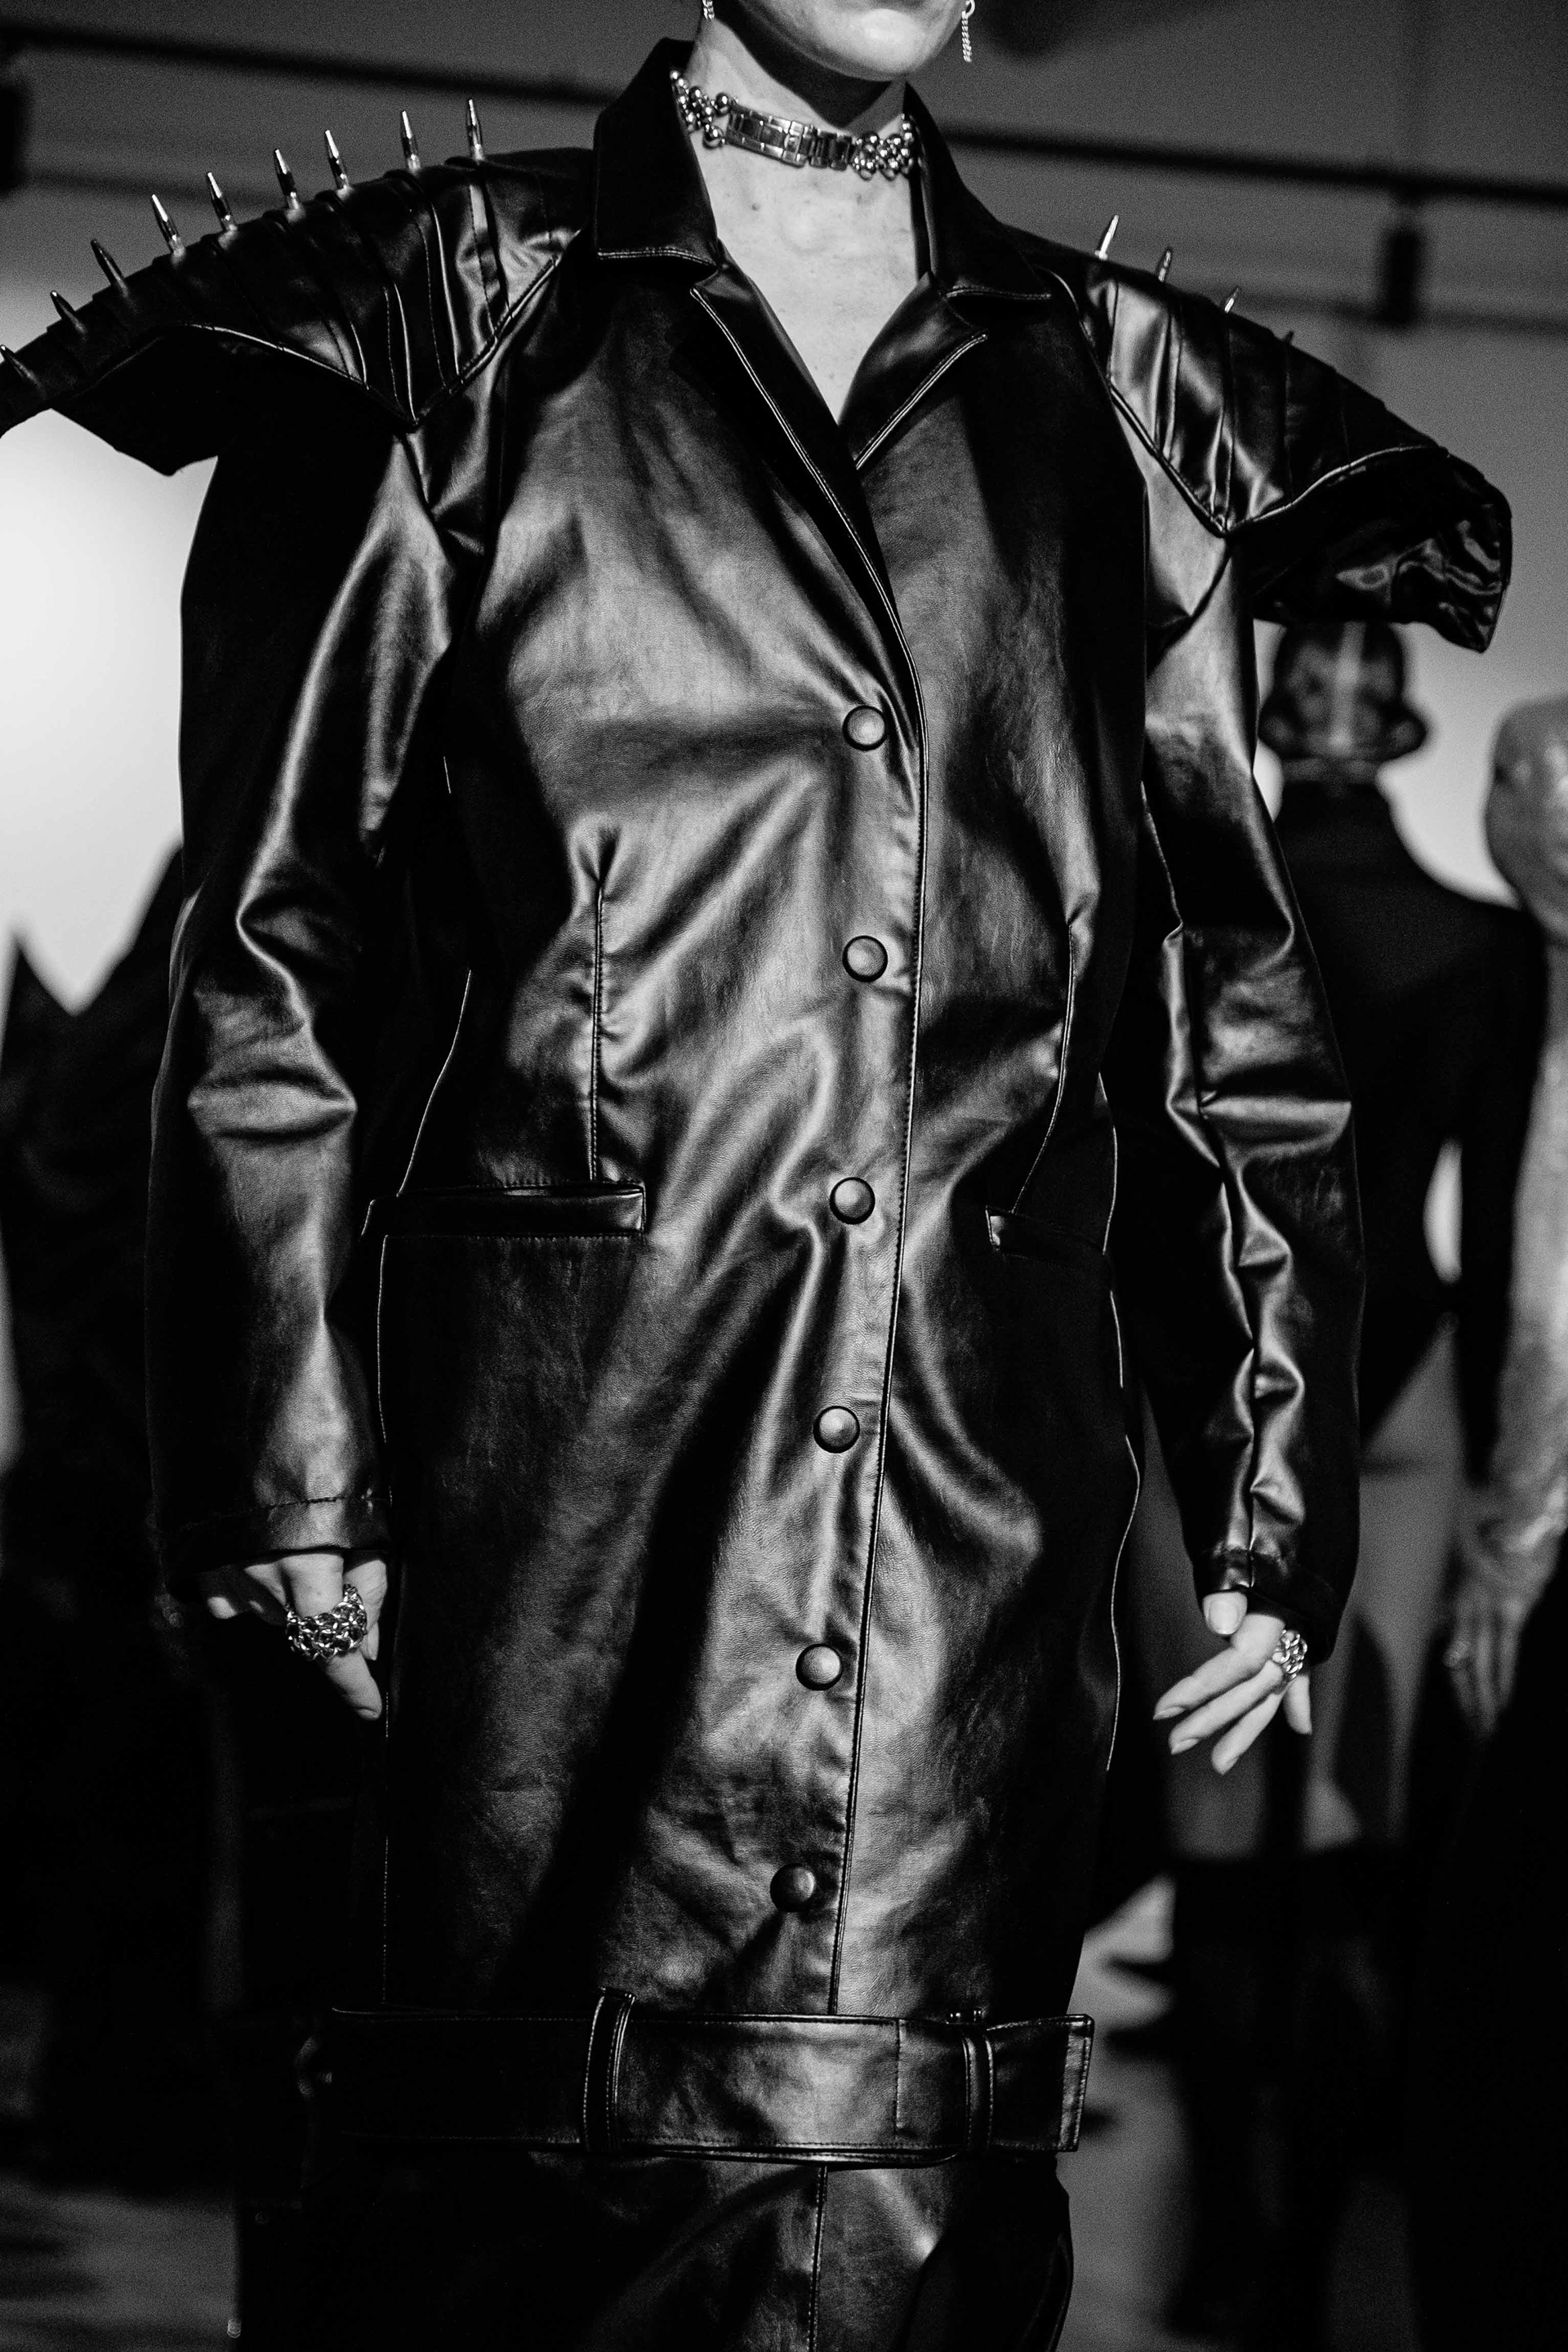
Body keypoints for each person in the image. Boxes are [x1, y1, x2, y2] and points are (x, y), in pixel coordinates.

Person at [0, 3, 1509, 2344]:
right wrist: (286, 1477)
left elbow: (1239, 1013)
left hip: (965, 1537)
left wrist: (1275, 1493)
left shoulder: (1135, 405)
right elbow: (275, 949)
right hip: (542, 1529)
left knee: (905, 2235)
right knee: (512, 2226)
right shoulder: (446, 322)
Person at [1405, 695, 1568, 2352]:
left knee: (1493, 1993)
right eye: (1520, 773)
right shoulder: (1511, 978)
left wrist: (1513, 1548)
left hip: (1549, 1532)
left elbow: (1552, 1301)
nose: (1531, 802)